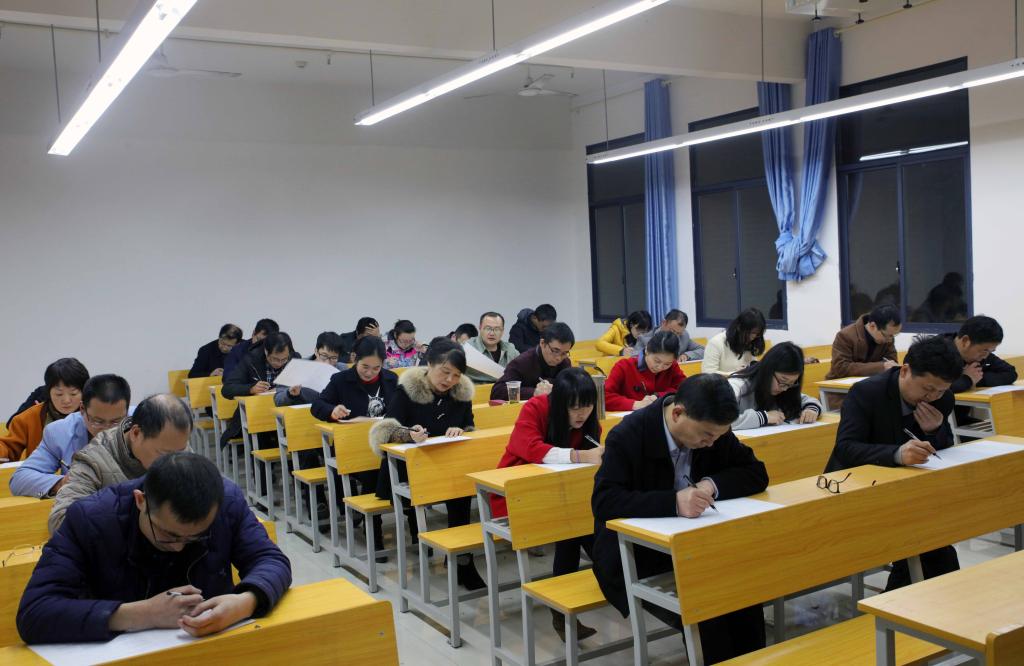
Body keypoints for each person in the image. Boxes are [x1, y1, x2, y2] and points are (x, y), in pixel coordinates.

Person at [18, 452, 291, 644]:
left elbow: (270, 560)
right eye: (168, 535)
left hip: (210, 648)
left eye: (195, 537)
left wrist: (245, 602)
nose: (179, 547)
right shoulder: (90, 519)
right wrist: (143, 614)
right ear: (141, 501)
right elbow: (35, 613)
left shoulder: (227, 502)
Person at [591, 374, 769, 663]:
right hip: (638, 556)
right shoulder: (629, 435)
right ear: (677, 414)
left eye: (718, 436)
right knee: (707, 613)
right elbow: (604, 501)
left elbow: (756, 472)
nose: (711, 443)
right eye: (706, 435)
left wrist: (711, 484)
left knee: (744, 597)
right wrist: (674, 502)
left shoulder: (713, 430)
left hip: (697, 549)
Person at [824, 335, 963, 591]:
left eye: (941, 390)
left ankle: (909, 602)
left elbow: (944, 446)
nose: (932, 397)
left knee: (935, 540)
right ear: (905, 370)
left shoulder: (943, 399)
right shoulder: (867, 393)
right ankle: (903, 605)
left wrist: (934, 430)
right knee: (927, 544)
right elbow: (846, 447)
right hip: (855, 487)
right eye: (927, 389)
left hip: (908, 490)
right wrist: (897, 454)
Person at [493, 367, 605, 641]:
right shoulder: (536, 408)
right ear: (559, 402)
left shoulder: (589, 423)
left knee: (583, 526)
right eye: (574, 407)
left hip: (563, 496)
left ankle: (568, 606)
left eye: (588, 406)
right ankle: (601, 585)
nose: (582, 414)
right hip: (518, 494)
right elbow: (529, 448)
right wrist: (579, 456)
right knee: (577, 529)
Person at [369, 339, 485, 590]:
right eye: (445, 372)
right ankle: (455, 558)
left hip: (446, 464)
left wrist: (460, 430)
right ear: (429, 364)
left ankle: (462, 560)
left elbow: (470, 426)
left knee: (461, 490)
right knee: (454, 488)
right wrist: (409, 435)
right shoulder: (407, 391)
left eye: (456, 375)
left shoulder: (461, 393)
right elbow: (385, 432)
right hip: (408, 469)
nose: (450, 380)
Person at [48, 393, 193, 535]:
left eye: (181, 451)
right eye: (164, 454)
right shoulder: (93, 460)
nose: (173, 462)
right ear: (136, 433)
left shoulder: (175, 445)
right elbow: (61, 521)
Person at [10, 374, 131, 499]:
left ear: (127, 412)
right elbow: (19, 479)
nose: (107, 430)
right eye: (98, 421)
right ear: (82, 409)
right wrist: (63, 483)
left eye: (116, 422)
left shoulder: (140, 424)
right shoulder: (59, 432)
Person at [1, 358, 89, 462]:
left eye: (73, 394)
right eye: (59, 394)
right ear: (48, 392)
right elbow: (8, 447)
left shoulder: (94, 415)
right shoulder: (29, 418)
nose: (66, 400)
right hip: (41, 471)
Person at [219, 332, 300, 446]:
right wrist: (251, 389)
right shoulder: (251, 359)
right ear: (266, 351)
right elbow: (227, 389)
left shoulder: (294, 358)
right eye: (275, 359)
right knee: (262, 436)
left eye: (284, 359)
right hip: (257, 415)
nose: (279, 363)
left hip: (285, 414)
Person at [728, 342, 821, 430]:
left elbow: (806, 399)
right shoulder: (736, 385)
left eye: (791, 384)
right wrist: (764, 417)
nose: (785, 389)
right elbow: (720, 419)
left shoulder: (783, 388)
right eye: (783, 381)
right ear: (768, 370)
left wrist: (811, 410)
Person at [313, 336, 400, 423]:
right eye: (365, 367)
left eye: (376, 368)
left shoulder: (392, 380)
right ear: (355, 358)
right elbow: (317, 405)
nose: (369, 373)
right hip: (351, 430)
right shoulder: (340, 380)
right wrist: (332, 411)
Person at [605, 331, 687, 412]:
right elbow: (604, 397)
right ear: (647, 350)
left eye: (667, 364)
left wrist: (659, 396)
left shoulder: (673, 367)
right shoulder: (624, 366)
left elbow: (685, 389)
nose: (660, 367)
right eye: (657, 361)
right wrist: (635, 404)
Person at [491, 323, 575, 401]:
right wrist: (534, 392)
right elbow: (497, 392)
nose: (559, 358)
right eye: (555, 351)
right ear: (542, 343)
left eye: (564, 353)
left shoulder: (565, 362)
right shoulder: (522, 362)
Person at [942, 315, 1017, 395]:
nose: (985, 356)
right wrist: (968, 379)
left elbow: (1011, 373)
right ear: (965, 341)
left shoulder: (983, 354)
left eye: (990, 351)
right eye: (985, 350)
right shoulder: (938, 351)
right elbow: (938, 387)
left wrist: (977, 378)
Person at [825, 304, 901, 380]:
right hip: (837, 384)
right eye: (888, 335)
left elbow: (891, 363)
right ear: (872, 326)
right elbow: (840, 368)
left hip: (871, 382)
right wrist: (881, 366)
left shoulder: (888, 337)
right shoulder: (845, 336)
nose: (890, 340)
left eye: (894, 335)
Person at [702, 309, 767, 374]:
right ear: (739, 327)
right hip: (722, 380)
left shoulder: (753, 342)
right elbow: (708, 373)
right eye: (750, 333)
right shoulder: (716, 342)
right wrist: (735, 374)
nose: (752, 337)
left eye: (757, 334)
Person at [464, 312, 520, 384]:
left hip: (503, 389)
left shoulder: (510, 350)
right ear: (480, 328)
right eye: (488, 328)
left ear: (502, 331)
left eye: (497, 329)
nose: (492, 333)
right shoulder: (467, 348)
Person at [634, 309, 704, 361]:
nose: (675, 335)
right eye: (672, 331)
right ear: (664, 323)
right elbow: (635, 359)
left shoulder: (684, 336)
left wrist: (686, 355)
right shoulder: (644, 339)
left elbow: (703, 350)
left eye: (678, 333)